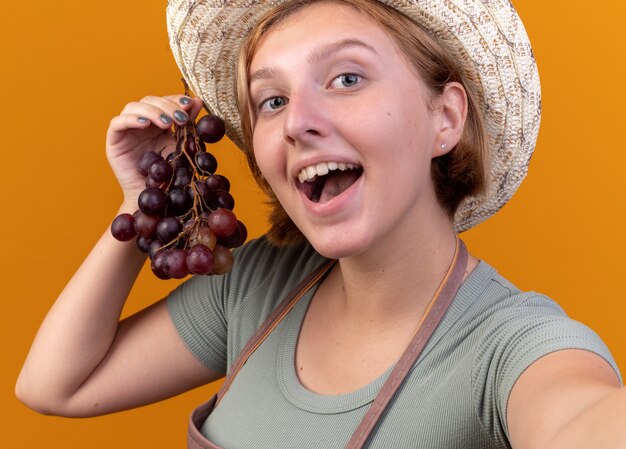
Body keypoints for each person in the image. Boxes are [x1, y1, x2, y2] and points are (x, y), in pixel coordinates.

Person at [16, 0, 626, 447]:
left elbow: (581, 419)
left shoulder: (512, 346)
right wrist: (146, 199)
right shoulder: (254, 287)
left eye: (346, 78)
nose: (297, 121)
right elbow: (56, 386)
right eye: (272, 100)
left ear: (445, 117)